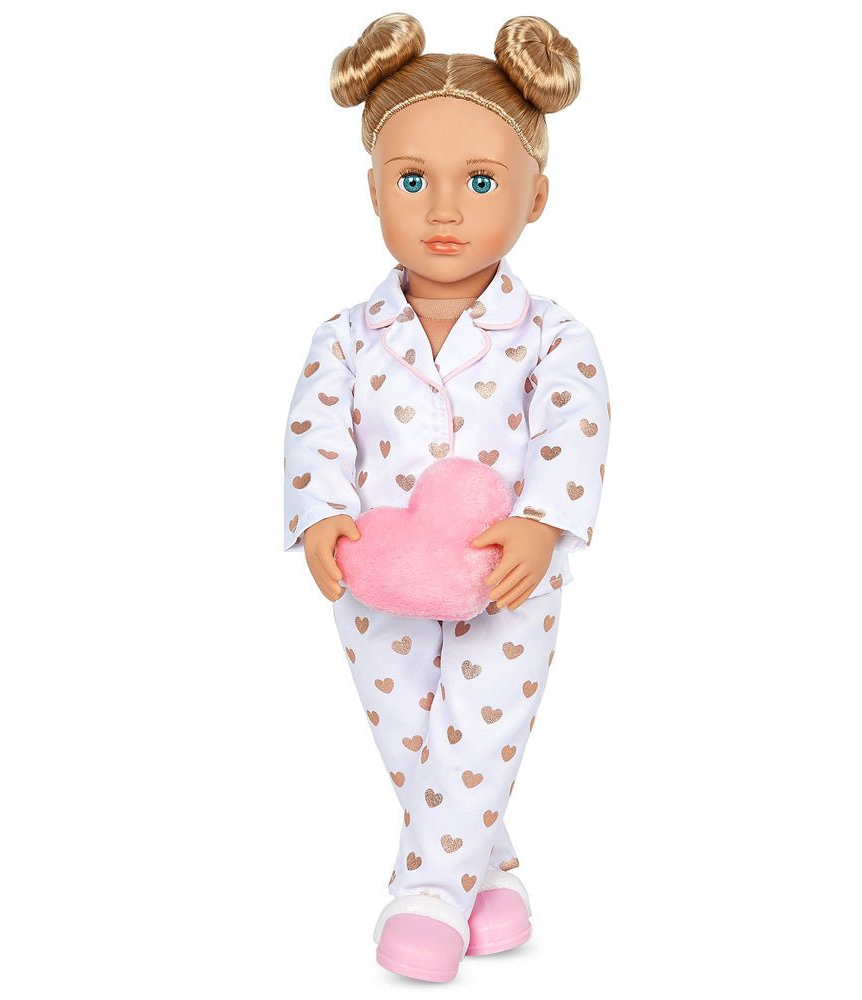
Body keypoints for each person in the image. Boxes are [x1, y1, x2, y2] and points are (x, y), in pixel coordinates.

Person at [283, 13, 611, 982]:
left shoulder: (554, 336)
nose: (444, 208)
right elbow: (313, 426)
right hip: (375, 567)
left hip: (507, 571)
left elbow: (575, 428)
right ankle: (488, 876)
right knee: (412, 726)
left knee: (482, 720)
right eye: (411, 179)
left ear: (536, 195)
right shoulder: (344, 335)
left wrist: (543, 523)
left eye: (481, 181)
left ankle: (427, 893)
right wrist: (319, 514)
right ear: (373, 190)